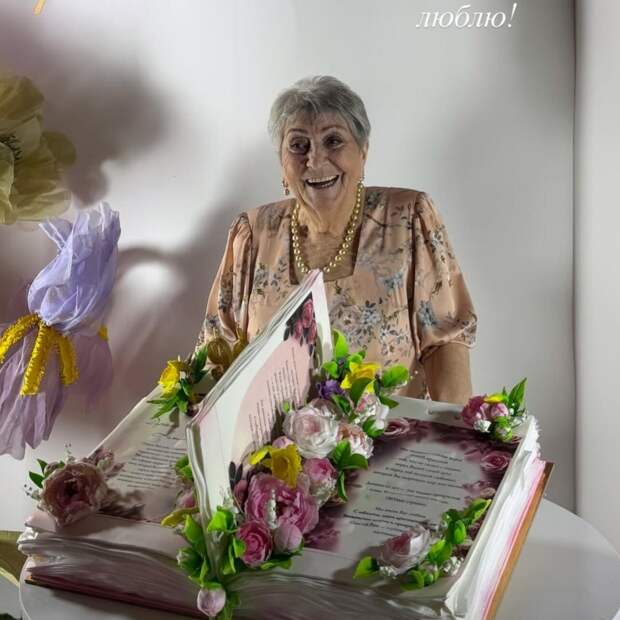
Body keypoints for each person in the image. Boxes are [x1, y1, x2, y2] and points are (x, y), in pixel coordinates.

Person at [196, 76, 476, 404]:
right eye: (298, 145)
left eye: (333, 141)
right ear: (282, 162)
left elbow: (445, 340)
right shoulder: (252, 235)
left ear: (363, 151)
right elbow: (216, 353)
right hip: (271, 437)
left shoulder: (408, 219)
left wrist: (450, 432)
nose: (315, 160)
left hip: (387, 432)